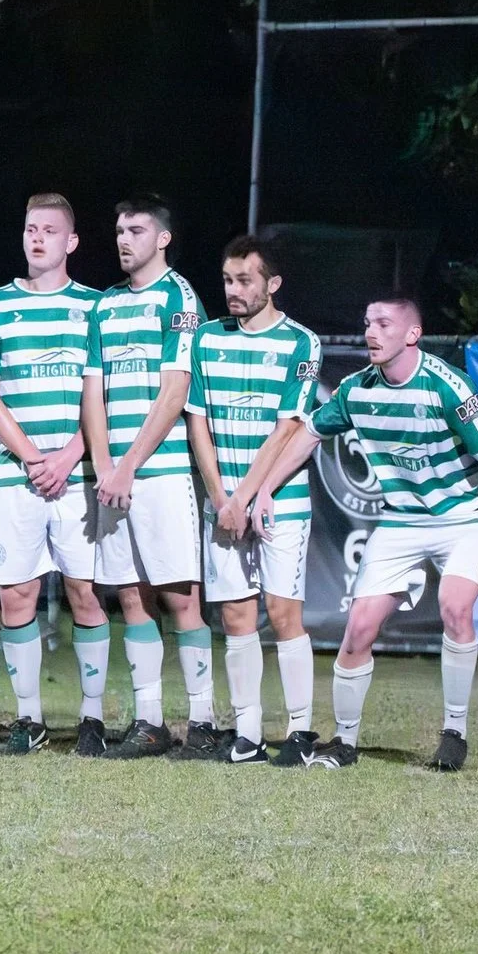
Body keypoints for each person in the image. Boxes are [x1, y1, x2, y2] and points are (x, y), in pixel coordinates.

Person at [236, 297, 478, 772]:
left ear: (412, 334)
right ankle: (344, 742)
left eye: (384, 324)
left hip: (461, 517)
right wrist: (265, 488)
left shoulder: (447, 386)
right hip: (400, 520)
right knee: (359, 628)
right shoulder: (355, 390)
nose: (371, 332)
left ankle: (454, 732)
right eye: (367, 323)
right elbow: (307, 436)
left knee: (455, 607)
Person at [0, 194, 113, 756]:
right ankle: (29, 719)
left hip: (78, 475)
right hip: (16, 475)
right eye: (31, 228)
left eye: (50, 230)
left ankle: (92, 718)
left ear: (71, 242)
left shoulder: (96, 307)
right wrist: (31, 456)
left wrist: (72, 454)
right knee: (16, 595)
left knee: (84, 592)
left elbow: (106, 396)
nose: (38, 237)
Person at [183, 235, 324, 766]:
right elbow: (197, 421)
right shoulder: (205, 339)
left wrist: (244, 497)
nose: (233, 290)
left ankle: (300, 731)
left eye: (245, 280)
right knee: (236, 616)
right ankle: (248, 734)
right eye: (227, 280)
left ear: (273, 284)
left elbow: (288, 428)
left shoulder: (302, 343)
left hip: (278, 502)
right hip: (223, 504)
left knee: (284, 612)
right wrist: (221, 496)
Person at [86, 198, 216, 760]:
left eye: (136, 230)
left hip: (159, 475)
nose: (123, 239)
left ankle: (204, 724)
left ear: (162, 239)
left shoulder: (179, 298)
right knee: (130, 595)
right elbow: (92, 390)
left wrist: (128, 465)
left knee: (180, 597)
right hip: (113, 478)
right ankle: (150, 722)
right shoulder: (106, 303)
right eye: (119, 230)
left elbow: (175, 391)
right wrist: (103, 465)